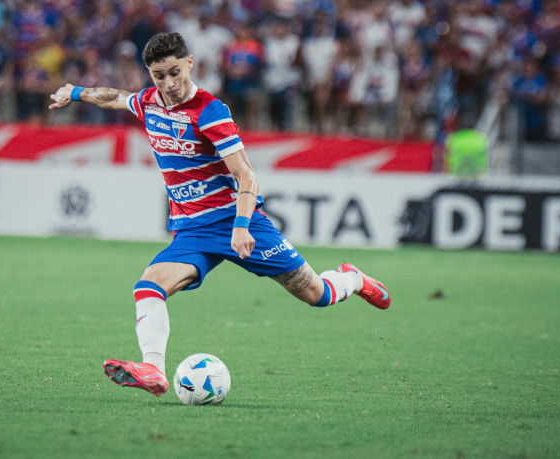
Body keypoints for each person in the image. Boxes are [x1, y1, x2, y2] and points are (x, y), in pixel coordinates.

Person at [48, 32, 390, 398]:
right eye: (158, 75)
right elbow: (115, 97)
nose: (168, 83)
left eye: (175, 72)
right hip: (192, 230)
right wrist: (75, 92)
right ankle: (152, 367)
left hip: (236, 222)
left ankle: (352, 279)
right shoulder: (149, 101)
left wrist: (242, 226)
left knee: (315, 293)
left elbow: (246, 175)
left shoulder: (210, 111)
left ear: (190, 63)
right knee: (147, 286)